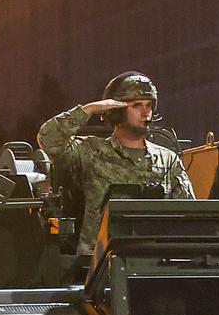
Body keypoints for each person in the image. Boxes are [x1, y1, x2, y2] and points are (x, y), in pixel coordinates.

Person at [37, 71, 194, 257]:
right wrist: (90, 109)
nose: (146, 112)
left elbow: (189, 213)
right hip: (100, 262)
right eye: (136, 105)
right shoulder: (91, 151)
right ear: (117, 111)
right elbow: (48, 139)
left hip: (153, 260)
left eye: (149, 105)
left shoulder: (167, 159)